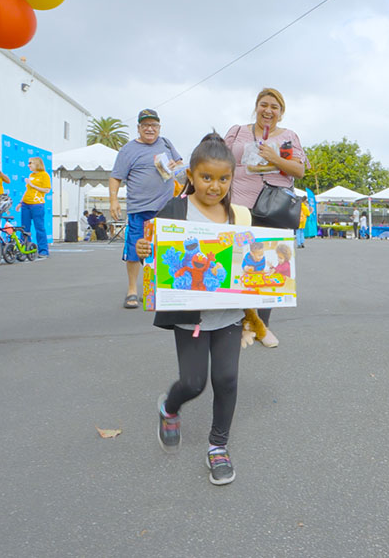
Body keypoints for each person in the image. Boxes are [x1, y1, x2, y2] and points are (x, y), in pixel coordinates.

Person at [136, 132, 250, 486]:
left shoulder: (239, 215)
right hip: (190, 318)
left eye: (223, 179)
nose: (214, 186)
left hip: (229, 314)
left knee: (227, 379)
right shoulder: (177, 210)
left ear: (232, 178)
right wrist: (145, 250)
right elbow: (157, 255)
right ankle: (169, 408)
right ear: (191, 175)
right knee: (194, 382)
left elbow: (251, 262)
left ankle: (218, 447)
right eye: (206, 177)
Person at [224, 88, 307, 347]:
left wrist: (274, 159)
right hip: (239, 206)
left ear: (281, 113)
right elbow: (219, 160)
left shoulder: (289, 136)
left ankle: (262, 325)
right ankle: (238, 322)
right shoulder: (238, 131)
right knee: (238, 263)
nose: (268, 110)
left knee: (268, 265)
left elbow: (300, 170)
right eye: (264, 105)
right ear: (256, 107)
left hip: (274, 207)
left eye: (274, 106)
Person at [109, 109, 183, 309]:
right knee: (134, 250)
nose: (150, 129)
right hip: (139, 209)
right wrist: (114, 200)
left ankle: (159, 289)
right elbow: (116, 176)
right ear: (139, 128)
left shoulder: (166, 143)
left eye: (154, 125)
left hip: (166, 209)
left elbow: (180, 165)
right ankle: (132, 290)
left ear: (159, 127)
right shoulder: (128, 150)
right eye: (146, 125)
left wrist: (175, 165)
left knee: (165, 251)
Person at [20, 157, 51, 259]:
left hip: (37, 204)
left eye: (30, 163)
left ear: (37, 164)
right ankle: (24, 249)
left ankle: (43, 250)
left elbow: (46, 190)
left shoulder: (44, 175)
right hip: (26, 204)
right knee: (24, 228)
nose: (28, 165)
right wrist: (21, 202)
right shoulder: (31, 175)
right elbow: (28, 190)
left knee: (39, 227)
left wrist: (32, 185)